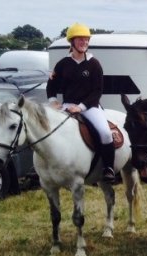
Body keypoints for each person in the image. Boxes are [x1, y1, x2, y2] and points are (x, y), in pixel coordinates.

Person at [46, 22, 115, 182]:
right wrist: (53, 101)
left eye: (86, 40)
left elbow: (97, 91)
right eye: (80, 40)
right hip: (67, 105)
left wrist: (81, 107)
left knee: (105, 133)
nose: (84, 42)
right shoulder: (63, 64)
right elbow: (51, 85)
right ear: (72, 42)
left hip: (89, 107)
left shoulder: (94, 64)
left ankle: (108, 168)